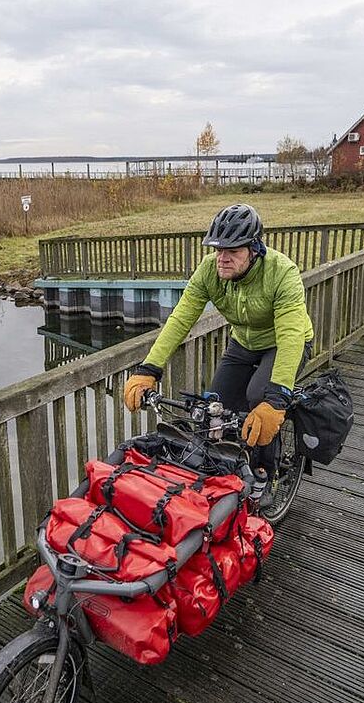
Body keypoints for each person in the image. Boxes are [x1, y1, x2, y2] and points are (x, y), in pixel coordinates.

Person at [122, 204, 314, 503]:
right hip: (243, 344)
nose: (222, 258)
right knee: (215, 408)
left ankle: (265, 473)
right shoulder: (209, 271)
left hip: (284, 343)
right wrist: (149, 369)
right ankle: (224, 473)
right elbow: (180, 319)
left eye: (233, 251)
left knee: (259, 400)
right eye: (217, 249)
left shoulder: (281, 272)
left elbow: (291, 335)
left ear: (254, 249)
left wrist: (276, 399)